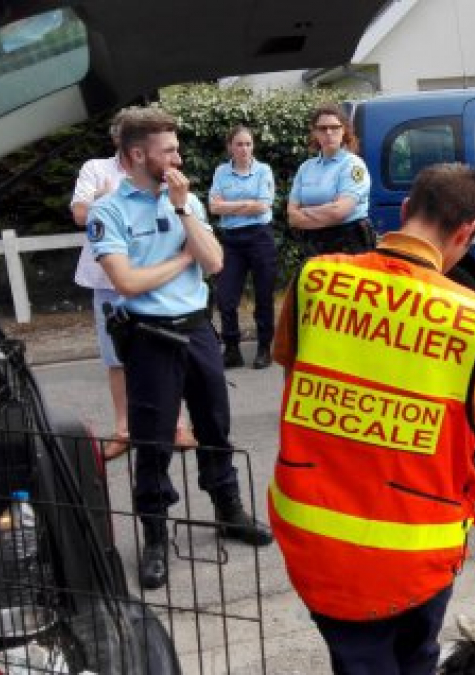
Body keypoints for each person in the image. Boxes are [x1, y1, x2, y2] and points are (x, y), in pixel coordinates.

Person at [269, 163, 475, 675]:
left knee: (356, 662)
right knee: (417, 657)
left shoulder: (315, 279)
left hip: (319, 543)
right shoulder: (471, 316)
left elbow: (291, 361)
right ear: (466, 232)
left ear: (404, 211)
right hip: (418, 550)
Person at [88, 107, 272, 590]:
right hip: (148, 337)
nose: (177, 156)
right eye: (168, 149)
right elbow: (126, 282)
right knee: (153, 441)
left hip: (196, 330)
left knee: (215, 424)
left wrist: (185, 210)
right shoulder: (109, 211)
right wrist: (181, 259)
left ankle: (227, 509)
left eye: (175, 146)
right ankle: (153, 534)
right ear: (137, 154)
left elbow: (213, 262)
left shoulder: (182, 201)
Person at [70, 110, 194, 460]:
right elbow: (80, 213)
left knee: (169, 349)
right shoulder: (96, 170)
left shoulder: (164, 169)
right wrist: (112, 201)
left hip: (157, 274)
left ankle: (177, 424)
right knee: (117, 358)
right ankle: (124, 429)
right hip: (109, 280)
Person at [208, 125, 278, 370]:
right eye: (239, 144)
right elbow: (213, 207)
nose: (244, 149)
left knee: (263, 296)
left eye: (248, 144)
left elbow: (263, 206)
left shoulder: (263, 171)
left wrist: (229, 205)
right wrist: (247, 204)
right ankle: (232, 349)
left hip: (260, 238)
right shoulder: (221, 172)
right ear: (230, 147)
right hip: (231, 240)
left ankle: (263, 348)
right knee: (226, 297)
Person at [286, 104, 374, 257]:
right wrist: (327, 211)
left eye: (334, 127)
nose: (328, 132)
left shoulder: (353, 165)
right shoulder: (305, 168)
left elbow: (340, 211)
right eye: (322, 128)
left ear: (344, 130)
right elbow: (293, 217)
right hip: (313, 248)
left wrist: (304, 212)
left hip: (350, 247)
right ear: (315, 133)